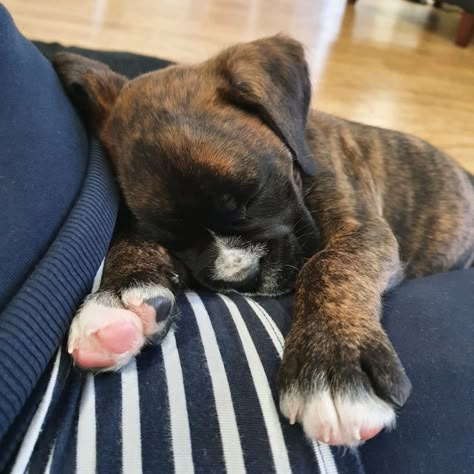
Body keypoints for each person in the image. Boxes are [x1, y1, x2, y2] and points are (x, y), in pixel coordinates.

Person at [0, 5, 472, 473]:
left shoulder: (311, 146)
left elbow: (366, 240)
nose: (235, 266)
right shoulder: (139, 150)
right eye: (179, 236)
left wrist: (333, 327)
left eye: (248, 199)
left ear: (278, 114)